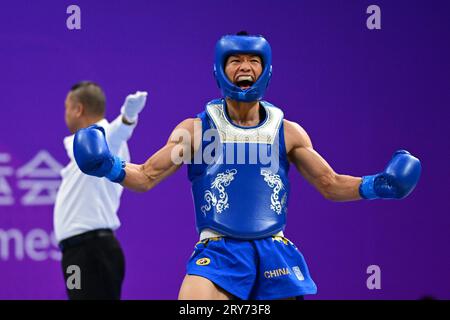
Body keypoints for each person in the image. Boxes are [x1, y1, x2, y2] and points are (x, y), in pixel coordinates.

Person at [71, 32, 421, 300]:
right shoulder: (197, 132)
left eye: (252, 60)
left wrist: (379, 185)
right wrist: (108, 166)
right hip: (219, 252)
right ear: (220, 70)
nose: (244, 67)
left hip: (275, 252)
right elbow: (146, 176)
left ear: (265, 68)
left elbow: (330, 184)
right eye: (234, 60)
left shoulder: (287, 133)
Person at [53, 81, 147, 300]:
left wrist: (127, 117)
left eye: (67, 107)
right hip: (77, 252)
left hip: (93, 251)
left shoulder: (103, 141)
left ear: (78, 109)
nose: (65, 113)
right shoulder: (84, 149)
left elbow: (116, 132)